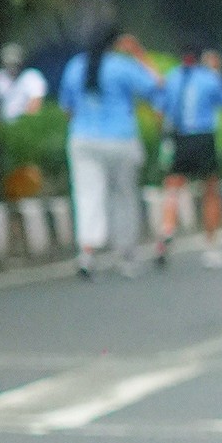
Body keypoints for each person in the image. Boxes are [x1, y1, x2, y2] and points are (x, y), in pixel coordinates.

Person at [58, 25, 165, 278]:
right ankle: (125, 253)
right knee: (123, 196)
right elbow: (158, 86)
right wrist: (138, 53)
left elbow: (67, 107)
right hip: (120, 140)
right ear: (116, 43)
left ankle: (87, 254)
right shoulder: (122, 66)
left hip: (83, 139)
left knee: (87, 195)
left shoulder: (75, 66)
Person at [157, 45, 222, 269]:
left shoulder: (171, 78)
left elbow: (161, 108)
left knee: (173, 187)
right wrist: (216, 72)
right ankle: (211, 245)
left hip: (179, 137)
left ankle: (167, 229)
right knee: (210, 190)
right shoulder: (209, 78)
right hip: (203, 137)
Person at [0, 45, 48, 122]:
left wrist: (23, 121)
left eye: (15, 63)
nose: (12, 67)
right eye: (9, 63)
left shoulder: (32, 76)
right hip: (3, 123)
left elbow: (36, 103)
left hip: (26, 122)